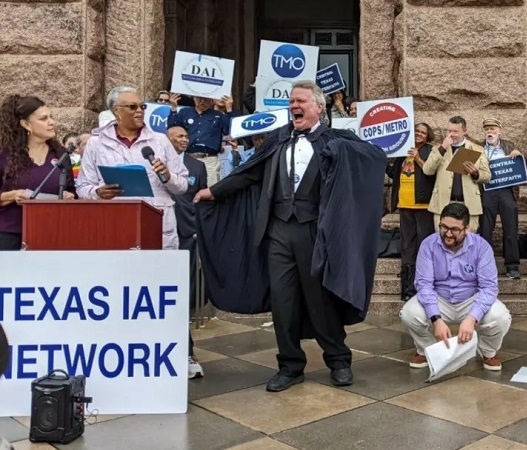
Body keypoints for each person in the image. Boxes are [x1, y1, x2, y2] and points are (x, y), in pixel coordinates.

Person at [193, 80, 386, 392]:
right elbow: (249, 172)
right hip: (279, 231)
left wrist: (342, 149)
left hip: (316, 231)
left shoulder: (336, 139)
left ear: (318, 107)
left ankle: (338, 360)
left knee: (320, 299)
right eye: (291, 102)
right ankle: (290, 366)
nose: (294, 106)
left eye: (301, 101)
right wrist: (213, 192)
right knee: (283, 301)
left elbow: (374, 158)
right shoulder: (278, 140)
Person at [400, 202, 511, 370]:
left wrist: (471, 318)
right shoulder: (428, 245)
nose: (448, 234)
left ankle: (488, 352)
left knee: (501, 317)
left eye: (454, 229)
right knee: (409, 314)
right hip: (439, 297)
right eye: (443, 227)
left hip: (471, 298)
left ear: (467, 228)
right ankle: (427, 350)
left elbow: (489, 287)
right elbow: (424, 284)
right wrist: (436, 319)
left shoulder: (481, 247)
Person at [77, 86, 189, 249]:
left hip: (156, 224)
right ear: (116, 111)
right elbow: (82, 186)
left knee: (157, 273)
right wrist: (97, 192)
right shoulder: (96, 143)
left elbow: (183, 185)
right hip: (113, 223)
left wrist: (168, 176)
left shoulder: (160, 141)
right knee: (115, 273)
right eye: (132, 106)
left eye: (142, 106)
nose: (140, 111)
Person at [0, 95, 76, 250]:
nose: (51, 122)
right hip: (9, 235)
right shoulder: (4, 154)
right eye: (43, 118)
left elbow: (71, 190)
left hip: (51, 234)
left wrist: (69, 196)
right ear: (26, 124)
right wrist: (12, 195)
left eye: (51, 117)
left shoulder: (60, 154)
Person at [167, 125, 208, 379]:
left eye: (185, 136)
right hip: (161, 232)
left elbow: (200, 200)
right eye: (178, 136)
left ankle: (187, 351)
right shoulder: (156, 161)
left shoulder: (197, 167)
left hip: (188, 235)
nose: (184, 140)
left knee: (184, 292)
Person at [389, 123, 437, 301]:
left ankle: (424, 284)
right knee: (407, 245)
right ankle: (407, 289)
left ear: (428, 136)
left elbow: (431, 173)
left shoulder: (431, 150)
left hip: (423, 206)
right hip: (405, 205)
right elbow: (393, 173)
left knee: (424, 245)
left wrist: (417, 158)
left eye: (423, 132)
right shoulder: (403, 150)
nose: (419, 134)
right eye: (416, 131)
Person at [423, 116, 490, 229]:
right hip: (443, 203)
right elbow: (427, 170)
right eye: (449, 131)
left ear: (465, 131)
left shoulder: (477, 149)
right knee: (443, 239)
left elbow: (487, 176)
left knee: (468, 241)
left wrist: (476, 173)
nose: (451, 134)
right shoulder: (438, 149)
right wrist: (443, 148)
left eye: (455, 131)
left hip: (468, 204)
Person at [479, 117, 523, 279]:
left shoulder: (509, 146)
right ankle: (484, 265)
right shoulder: (478, 147)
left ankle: (512, 265)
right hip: (486, 190)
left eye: (493, 128)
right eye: (487, 129)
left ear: (499, 131)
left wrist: (519, 155)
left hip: (506, 190)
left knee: (510, 229)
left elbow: (520, 167)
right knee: (485, 230)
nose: (490, 131)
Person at [167, 93, 235, 186]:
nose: (202, 101)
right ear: (194, 98)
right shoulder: (185, 112)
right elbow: (172, 128)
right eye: (199, 98)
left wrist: (229, 108)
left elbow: (231, 130)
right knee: (187, 189)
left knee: (210, 190)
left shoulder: (218, 116)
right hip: (189, 158)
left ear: (212, 101)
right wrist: (173, 108)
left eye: (206, 99)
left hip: (210, 160)